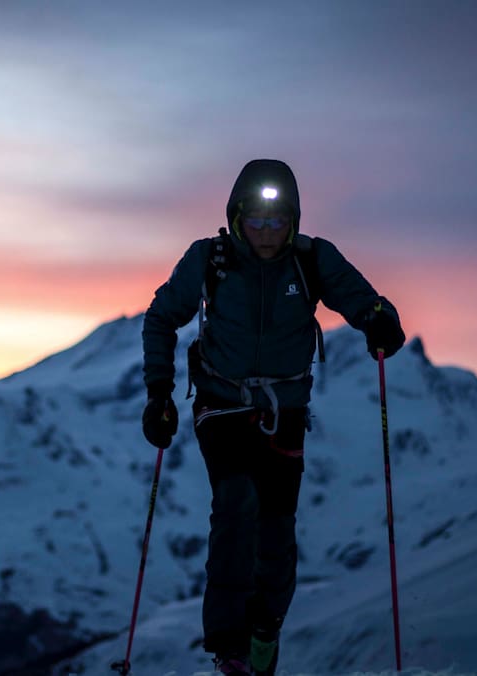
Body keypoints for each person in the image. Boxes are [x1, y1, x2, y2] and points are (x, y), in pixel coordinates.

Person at [140, 159, 405, 675]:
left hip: (284, 413)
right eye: (256, 220)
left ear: (293, 221)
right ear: (237, 218)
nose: (266, 232)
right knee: (236, 502)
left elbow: (361, 300)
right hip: (221, 404)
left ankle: (265, 631)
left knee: (277, 536)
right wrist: (159, 394)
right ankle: (230, 649)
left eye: (277, 220)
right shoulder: (210, 258)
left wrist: (379, 320)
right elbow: (161, 316)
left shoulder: (312, 259)